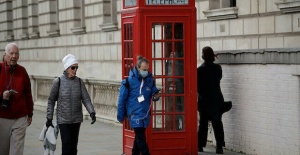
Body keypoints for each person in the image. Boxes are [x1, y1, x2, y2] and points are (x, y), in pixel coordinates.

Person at [46, 54, 96, 155]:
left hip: (76, 120)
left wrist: (92, 112)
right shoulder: (58, 81)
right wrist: (49, 118)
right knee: (67, 146)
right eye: (73, 67)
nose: (75, 70)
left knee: (73, 147)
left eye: (76, 67)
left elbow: (86, 98)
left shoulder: (79, 82)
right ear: (67, 68)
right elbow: (51, 100)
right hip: (63, 120)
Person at [117, 56, 160, 155]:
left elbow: (154, 94)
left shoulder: (149, 80)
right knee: (141, 139)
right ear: (137, 68)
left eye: (147, 69)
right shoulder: (128, 82)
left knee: (138, 139)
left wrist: (156, 95)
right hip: (134, 114)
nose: (146, 71)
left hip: (145, 113)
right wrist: (120, 116)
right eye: (144, 69)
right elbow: (122, 100)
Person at [0, 42, 34, 155]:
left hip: (20, 117)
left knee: (16, 151)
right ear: (5, 55)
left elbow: (28, 94)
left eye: (16, 53)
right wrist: (2, 95)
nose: (14, 56)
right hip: (2, 117)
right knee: (3, 150)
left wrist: (30, 114)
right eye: (11, 53)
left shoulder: (22, 71)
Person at [197, 46, 225, 154]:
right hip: (216, 99)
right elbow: (218, 79)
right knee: (217, 123)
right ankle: (219, 147)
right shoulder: (218, 68)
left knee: (203, 124)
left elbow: (198, 86)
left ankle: (200, 145)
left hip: (204, 99)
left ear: (203, 56)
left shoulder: (200, 70)